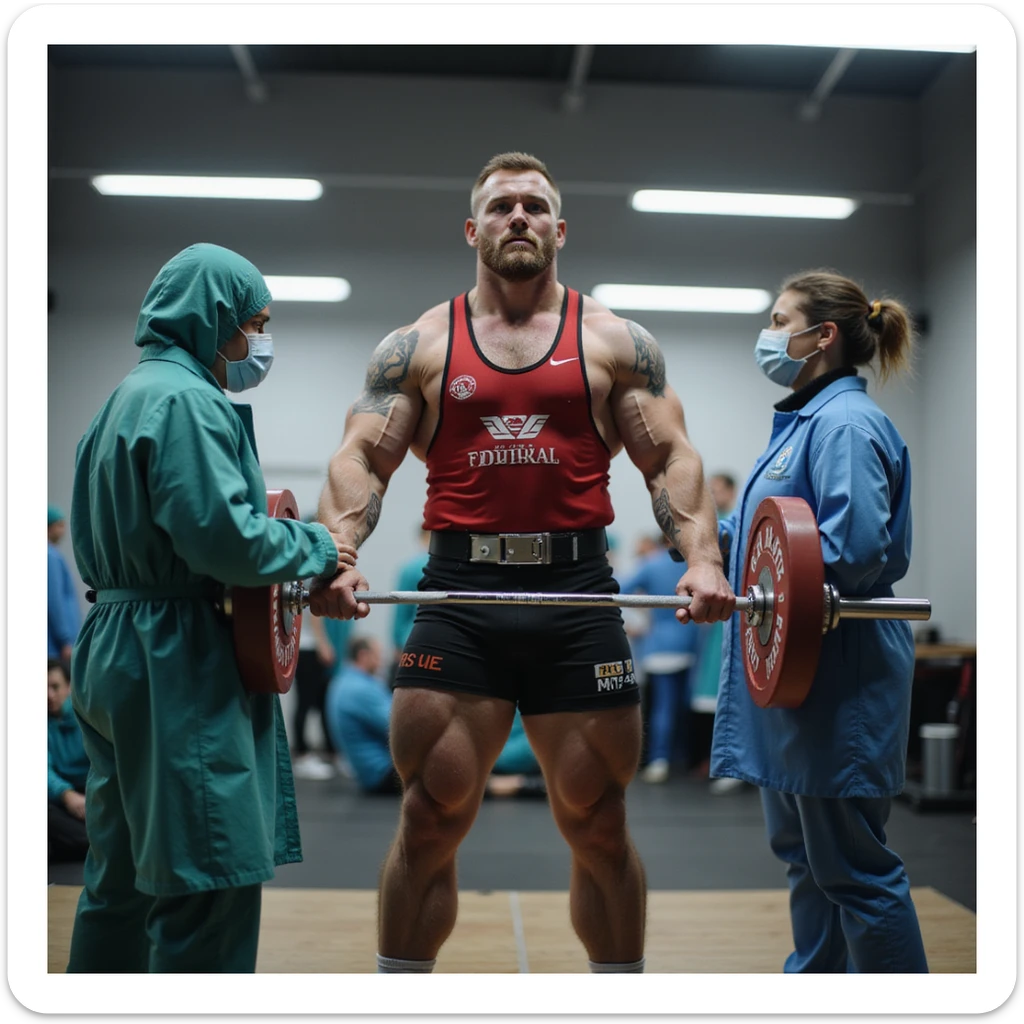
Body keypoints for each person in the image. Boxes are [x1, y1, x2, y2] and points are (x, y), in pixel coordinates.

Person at [309, 151, 734, 974]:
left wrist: (704, 559)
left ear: (559, 230)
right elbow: (360, 457)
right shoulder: (419, 345)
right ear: (472, 230)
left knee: (600, 823)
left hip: (577, 596)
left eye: (535, 207)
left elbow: (671, 459)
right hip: (459, 596)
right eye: (501, 206)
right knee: (428, 818)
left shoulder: (615, 341)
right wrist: (340, 554)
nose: (518, 218)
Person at [64, 242, 354, 973]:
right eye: (257, 323)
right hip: (177, 658)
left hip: (116, 648)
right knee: (206, 884)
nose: (261, 341)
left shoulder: (121, 400)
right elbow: (228, 542)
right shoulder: (187, 403)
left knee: (121, 884)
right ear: (216, 317)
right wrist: (320, 548)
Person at [709, 269, 929, 973]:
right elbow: (770, 543)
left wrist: (756, 584)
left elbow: (852, 554)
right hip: (797, 680)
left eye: (780, 321)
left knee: (853, 870)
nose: (769, 334)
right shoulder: (805, 423)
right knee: (806, 860)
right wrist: (699, 536)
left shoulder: (845, 425)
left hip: (839, 675)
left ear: (822, 335)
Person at [618, 533, 702, 784]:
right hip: (691, 641)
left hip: (660, 645)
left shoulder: (651, 564)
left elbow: (620, 590)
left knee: (663, 706)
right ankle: (682, 758)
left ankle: (659, 759)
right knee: (685, 705)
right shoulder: (694, 566)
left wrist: (643, 615)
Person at [324, 635, 402, 795]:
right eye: (377, 656)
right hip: (382, 773)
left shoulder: (344, 680)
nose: (381, 662)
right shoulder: (359, 689)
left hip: (371, 772)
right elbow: (400, 729)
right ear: (363, 655)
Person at [47, 659, 90, 863]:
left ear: (69, 687)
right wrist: (66, 794)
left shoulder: (88, 714)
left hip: (96, 793)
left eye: (55, 687)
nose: (48, 695)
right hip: (64, 797)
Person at [389, 527, 431, 682]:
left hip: (411, 642)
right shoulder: (451, 568)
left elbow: (400, 611)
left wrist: (397, 645)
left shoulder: (410, 568)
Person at [47, 504, 82, 669]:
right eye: (60, 525)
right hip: (57, 646)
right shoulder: (50, 556)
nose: (64, 530)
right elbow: (54, 600)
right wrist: (65, 640)